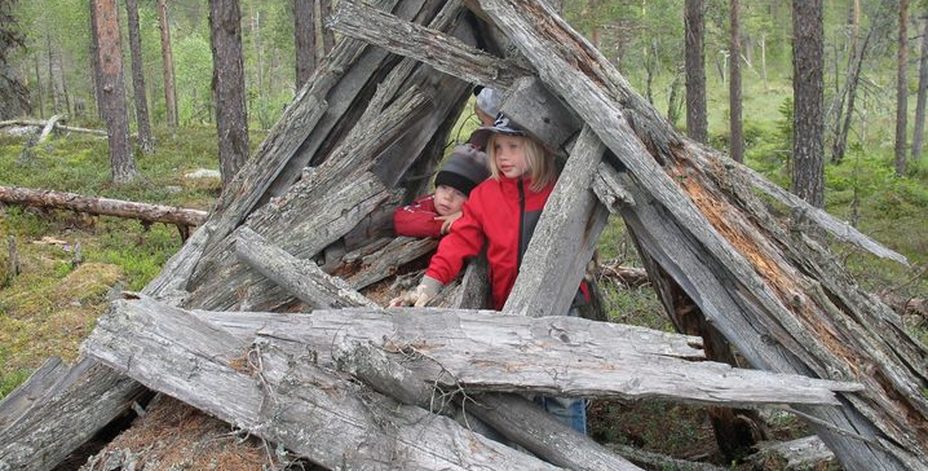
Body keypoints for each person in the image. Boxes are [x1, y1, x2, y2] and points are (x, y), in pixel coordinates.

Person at [390, 113, 588, 434]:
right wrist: (428, 287)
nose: (503, 156)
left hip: (562, 305)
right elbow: (458, 241)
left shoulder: (558, 188)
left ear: (538, 147)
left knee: (562, 393)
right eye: (497, 148)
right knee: (522, 393)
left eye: (514, 146)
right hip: (510, 308)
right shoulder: (486, 195)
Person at [393, 144, 490, 238]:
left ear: (470, 200)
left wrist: (463, 219)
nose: (448, 197)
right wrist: (446, 225)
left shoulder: (476, 216)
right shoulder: (430, 202)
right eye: (443, 187)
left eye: (459, 193)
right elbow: (401, 218)